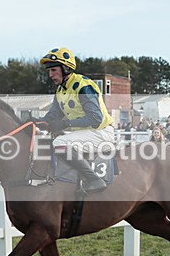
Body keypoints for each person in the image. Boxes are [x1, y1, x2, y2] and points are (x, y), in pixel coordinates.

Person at [33, 47, 115, 193]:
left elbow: (96, 119)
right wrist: (36, 122)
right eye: (49, 71)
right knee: (53, 139)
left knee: (59, 143)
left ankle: (94, 180)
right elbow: (52, 116)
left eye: (53, 70)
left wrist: (65, 123)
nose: (50, 75)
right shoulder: (61, 90)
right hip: (86, 134)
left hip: (101, 133)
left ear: (65, 68)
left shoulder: (83, 86)